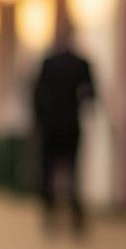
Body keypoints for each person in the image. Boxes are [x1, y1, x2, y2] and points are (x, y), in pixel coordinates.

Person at [32, 29, 96, 236]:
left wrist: (40, 118)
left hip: (51, 124)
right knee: (74, 170)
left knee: (48, 169)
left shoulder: (49, 63)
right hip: (71, 123)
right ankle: (75, 215)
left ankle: (50, 212)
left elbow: (36, 94)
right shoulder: (81, 64)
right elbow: (91, 94)